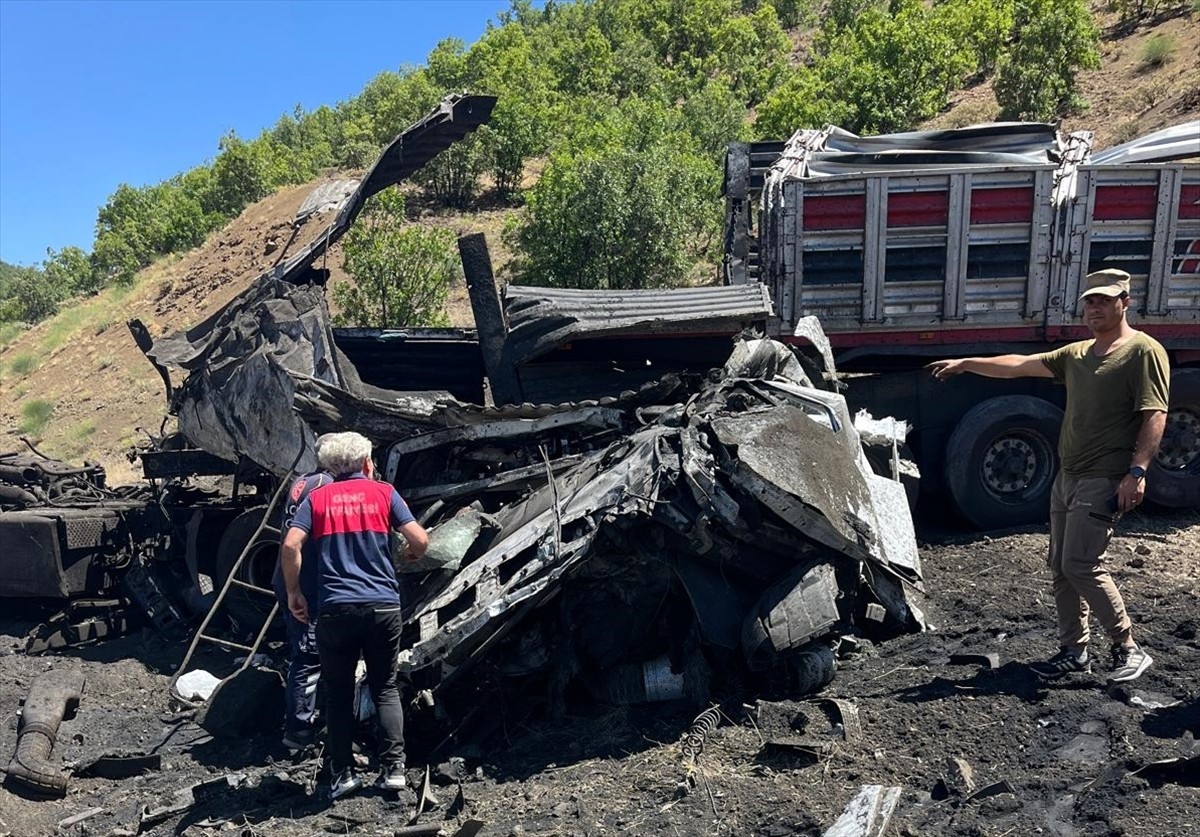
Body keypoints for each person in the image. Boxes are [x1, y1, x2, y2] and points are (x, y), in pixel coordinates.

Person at [928, 269, 1169, 684]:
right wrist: (967, 363)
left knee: (1081, 562)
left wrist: (1137, 472)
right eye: (1089, 301)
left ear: (1125, 302)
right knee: (1060, 565)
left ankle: (1128, 647)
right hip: (1068, 476)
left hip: (1105, 477)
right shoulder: (1076, 355)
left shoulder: (1143, 352)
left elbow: (1155, 414)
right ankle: (1074, 651)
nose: (1094, 308)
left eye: (1104, 301)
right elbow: (1020, 365)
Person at [280, 431, 429, 800]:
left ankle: (341, 774)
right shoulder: (384, 493)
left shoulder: (316, 499)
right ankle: (394, 770)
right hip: (382, 606)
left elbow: (289, 545)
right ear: (366, 462)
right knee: (385, 686)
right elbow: (421, 540)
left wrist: (295, 592)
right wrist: (411, 555)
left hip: (335, 610)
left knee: (338, 691)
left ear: (331, 466)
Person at [271, 435, 334, 752]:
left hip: (289, 576)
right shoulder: (328, 486)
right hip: (306, 580)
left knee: (305, 650)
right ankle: (298, 731)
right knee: (308, 656)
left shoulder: (304, 480)